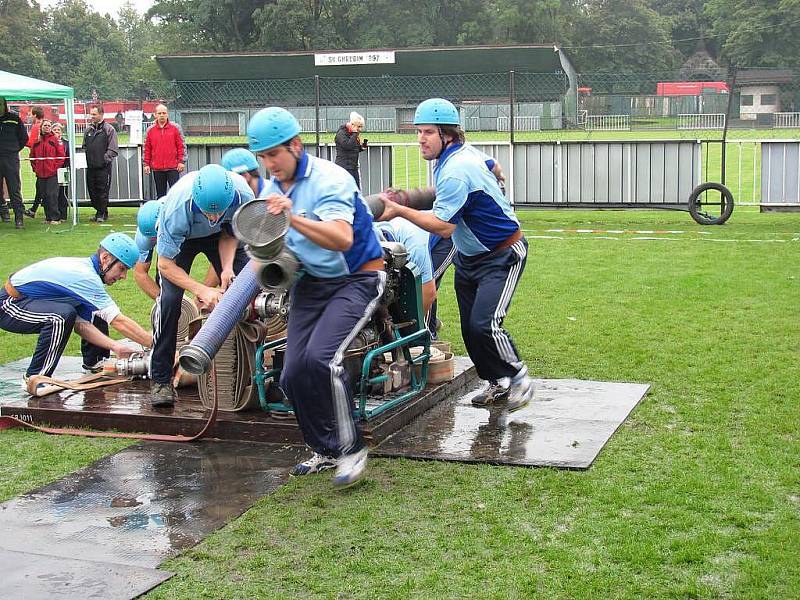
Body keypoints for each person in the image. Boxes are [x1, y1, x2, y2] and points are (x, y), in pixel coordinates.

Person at [249, 106, 385, 488]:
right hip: (311, 284)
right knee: (292, 374)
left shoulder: (331, 178)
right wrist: (260, 256)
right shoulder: (273, 188)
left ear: (296, 145)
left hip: (357, 278)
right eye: (262, 157)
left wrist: (293, 219)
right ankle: (325, 449)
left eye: (274, 154)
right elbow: (270, 248)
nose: (269, 164)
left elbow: (341, 237)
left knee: (322, 361)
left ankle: (352, 449)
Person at [377, 98, 533, 412]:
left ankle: (518, 377)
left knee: (485, 325)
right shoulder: (459, 154)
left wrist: (398, 210)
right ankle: (496, 382)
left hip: (502, 254)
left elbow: (443, 227)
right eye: (418, 131)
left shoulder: (455, 171)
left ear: (447, 134)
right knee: (469, 330)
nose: (420, 138)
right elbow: (489, 163)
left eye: (428, 132)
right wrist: (495, 170)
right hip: (470, 257)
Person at [149, 164, 254, 408]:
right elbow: (165, 265)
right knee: (169, 302)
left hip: (220, 237)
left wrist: (227, 268)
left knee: (245, 290)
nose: (213, 218)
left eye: (218, 213)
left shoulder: (243, 196)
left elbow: (229, 233)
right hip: (181, 242)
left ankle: (248, 372)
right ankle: (161, 379)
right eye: (208, 213)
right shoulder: (176, 208)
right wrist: (201, 290)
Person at [0, 233, 153, 381]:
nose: (123, 276)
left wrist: (116, 347)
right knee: (59, 317)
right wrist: (159, 347)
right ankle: (36, 378)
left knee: (95, 310)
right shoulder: (85, 276)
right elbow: (119, 321)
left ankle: (94, 363)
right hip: (9, 305)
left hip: (27, 301)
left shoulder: (88, 274)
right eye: (121, 268)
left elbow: (81, 326)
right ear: (105, 258)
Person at [82, 105, 118, 223]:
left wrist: (104, 159)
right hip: (91, 166)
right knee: (92, 191)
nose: (92, 116)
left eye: (94, 114)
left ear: (101, 114)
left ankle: (102, 213)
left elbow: (113, 148)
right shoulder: (88, 130)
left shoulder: (109, 129)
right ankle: (99, 211)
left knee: (102, 191)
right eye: (91, 114)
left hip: (103, 167)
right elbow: (84, 146)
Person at [143, 104, 187, 199]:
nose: (162, 115)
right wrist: (146, 164)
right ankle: (161, 213)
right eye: (159, 113)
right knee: (160, 195)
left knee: (175, 194)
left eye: (164, 113)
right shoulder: (150, 130)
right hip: (157, 168)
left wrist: (181, 162)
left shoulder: (176, 128)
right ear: (155, 115)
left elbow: (181, 146)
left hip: (173, 168)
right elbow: (147, 148)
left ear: (167, 115)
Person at [28, 119, 64, 225]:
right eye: (45, 125)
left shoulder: (55, 140)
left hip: (52, 173)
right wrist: (35, 168)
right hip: (40, 173)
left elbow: (61, 156)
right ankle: (48, 217)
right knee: (44, 195)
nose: (47, 127)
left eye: (49, 125)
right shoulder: (37, 141)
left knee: (51, 194)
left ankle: (55, 217)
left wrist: (54, 168)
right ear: (41, 127)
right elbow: (32, 156)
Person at [0, 97, 28, 229]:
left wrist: (14, 149)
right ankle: (3, 211)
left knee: (14, 188)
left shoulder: (14, 119)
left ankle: (19, 217)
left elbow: (24, 138)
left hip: (10, 157)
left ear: (4, 104)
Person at [334, 111, 367, 188]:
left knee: (356, 190)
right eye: (358, 127)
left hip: (353, 167)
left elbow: (353, 147)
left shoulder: (353, 134)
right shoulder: (341, 133)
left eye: (361, 127)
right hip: (344, 167)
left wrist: (361, 147)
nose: (360, 129)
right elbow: (347, 145)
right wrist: (355, 134)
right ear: (352, 125)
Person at [52, 122, 70, 222]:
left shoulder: (66, 143)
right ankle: (55, 214)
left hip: (64, 170)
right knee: (54, 193)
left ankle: (63, 215)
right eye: (54, 130)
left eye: (58, 130)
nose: (57, 132)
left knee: (63, 193)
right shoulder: (50, 142)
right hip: (53, 170)